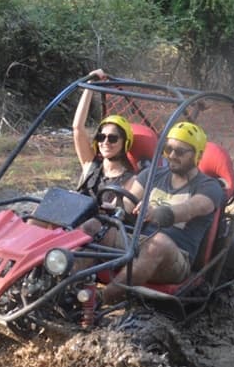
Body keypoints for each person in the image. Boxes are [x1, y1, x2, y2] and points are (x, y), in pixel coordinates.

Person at [85, 121, 224, 308]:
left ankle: (100, 301)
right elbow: (126, 203)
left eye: (180, 152)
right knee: (92, 226)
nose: (172, 156)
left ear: (197, 155)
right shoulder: (151, 174)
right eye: (168, 149)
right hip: (136, 242)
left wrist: (156, 211)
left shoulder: (209, 187)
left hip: (175, 257)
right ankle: (65, 288)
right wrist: (109, 207)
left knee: (158, 242)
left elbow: (190, 208)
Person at [71, 69, 136, 202]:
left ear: (125, 143)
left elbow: (117, 213)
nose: (105, 142)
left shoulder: (130, 180)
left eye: (112, 138)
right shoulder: (90, 165)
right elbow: (77, 127)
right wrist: (90, 84)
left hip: (97, 222)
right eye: (101, 137)